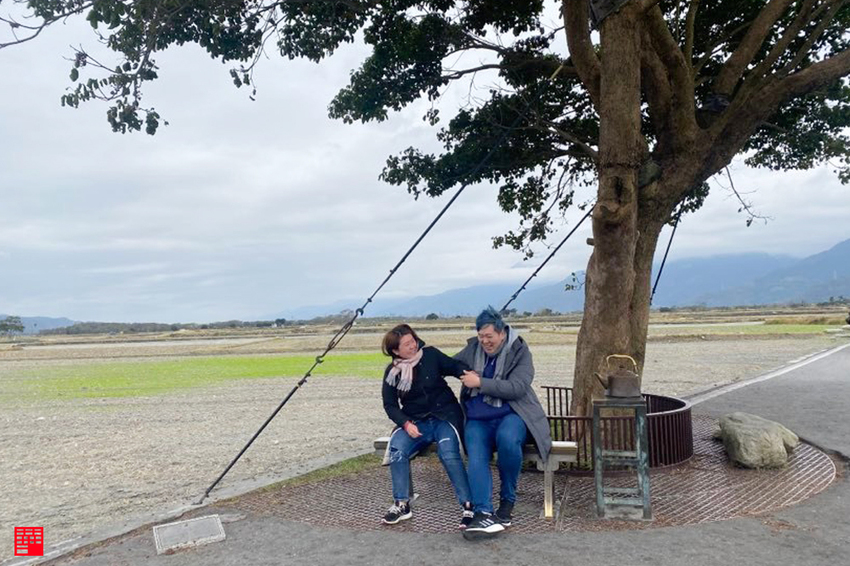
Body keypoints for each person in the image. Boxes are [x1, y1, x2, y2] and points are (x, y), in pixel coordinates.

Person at [455, 306, 552, 540]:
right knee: (476, 454)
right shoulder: (473, 349)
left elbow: (518, 387)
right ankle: (483, 512)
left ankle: (507, 499)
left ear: (502, 333)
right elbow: (449, 364)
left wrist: (480, 382)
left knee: (508, 440)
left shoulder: (519, 351)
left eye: (489, 336)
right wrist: (417, 358)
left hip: (513, 414)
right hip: (478, 417)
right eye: (481, 336)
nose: (485, 341)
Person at [380, 324, 475, 529]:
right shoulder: (393, 372)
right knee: (397, 450)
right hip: (415, 422)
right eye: (406, 344)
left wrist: (469, 376)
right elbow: (389, 405)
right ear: (395, 350)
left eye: (413, 340)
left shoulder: (430, 355)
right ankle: (401, 503)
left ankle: (468, 505)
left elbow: (453, 366)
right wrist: (405, 423)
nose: (413, 346)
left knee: (449, 453)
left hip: (444, 417)